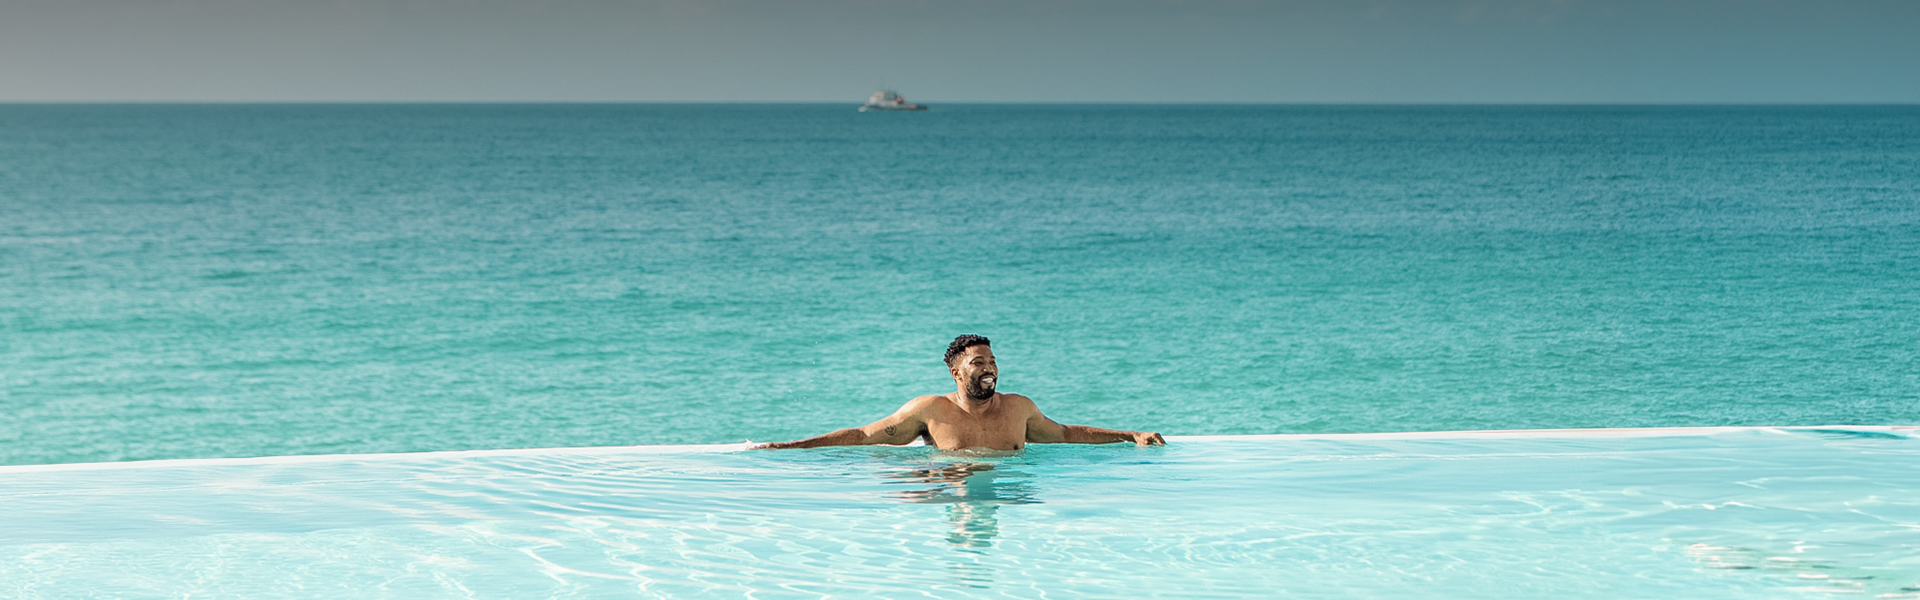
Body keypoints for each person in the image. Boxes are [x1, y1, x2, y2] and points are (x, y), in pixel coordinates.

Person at [753, 335, 1165, 451]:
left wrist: (1130, 435)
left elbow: (1066, 434)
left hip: (1008, 493)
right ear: (955, 372)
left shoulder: (1020, 408)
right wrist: (789, 446)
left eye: (992, 362)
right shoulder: (930, 410)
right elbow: (864, 435)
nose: (989, 369)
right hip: (948, 487)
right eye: (978, 363)